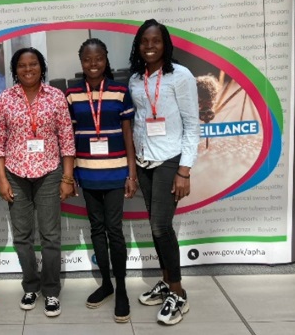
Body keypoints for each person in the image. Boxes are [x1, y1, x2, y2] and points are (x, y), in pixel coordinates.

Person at [0, 47, 75, 318]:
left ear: (42, 67)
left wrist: (67, 177)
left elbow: (67, 139)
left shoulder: (56, 96)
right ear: (15, 70)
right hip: (15, 175)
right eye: (23, 65)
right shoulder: (5, 98)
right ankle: (30, 285)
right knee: (22, 237)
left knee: (50, 237)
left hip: (50, 173)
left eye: (34, 64)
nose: (28, 69)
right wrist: (2, 179)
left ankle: (51, 291)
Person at [127, 19, 200, 326]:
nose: (150, 46)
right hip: (145, 161)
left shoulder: (180, 76)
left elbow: (192, 125)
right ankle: (166, 280)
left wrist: (184, 171)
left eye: (156, 41)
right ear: (138, 45)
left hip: (170, 159)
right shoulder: (135, 79)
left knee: (160, 227)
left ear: (166, 43)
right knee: (157, 226)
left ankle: (178, 292)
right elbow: (140, 122)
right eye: (144, 41)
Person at [65, 38, 137, 323]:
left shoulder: (120, 91)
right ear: (80, 61)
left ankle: (121, 290)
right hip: (87, 172)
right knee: (96, 229)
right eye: (87, 59)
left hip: (117, 170)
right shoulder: (71, 94)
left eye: (98, 59)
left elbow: (128, 134)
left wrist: (132, 173)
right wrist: (70, 176)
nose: (93, 64)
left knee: (114, 231)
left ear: (106, 59)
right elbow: (69, 138)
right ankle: (106, 283)